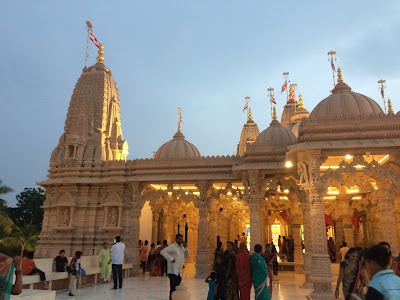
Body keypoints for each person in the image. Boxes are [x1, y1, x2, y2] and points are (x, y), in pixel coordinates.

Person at [160, 234, 190, 300]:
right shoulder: (172, 246)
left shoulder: (182, 248)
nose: (180, 240)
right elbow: (162, 252)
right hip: (173, 271)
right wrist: (171, 258)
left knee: (177, 289)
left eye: (181, 239)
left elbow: (187, 256)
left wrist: (186, 247)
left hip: (179, 272)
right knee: (173, 288)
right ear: (176, 239)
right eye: (179, 239)